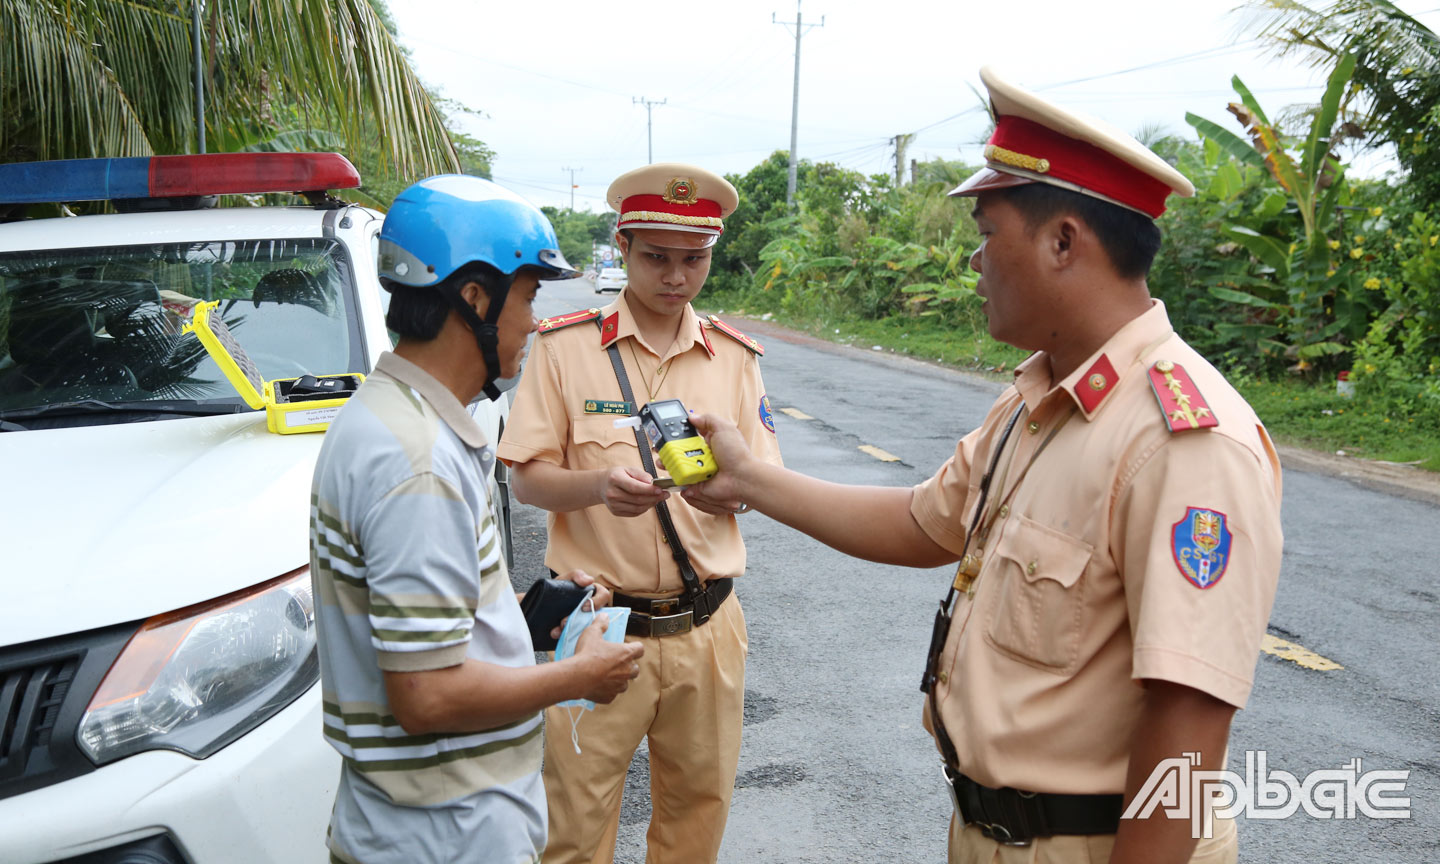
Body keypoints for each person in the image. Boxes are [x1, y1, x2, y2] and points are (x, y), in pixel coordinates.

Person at [683, 67, 1284, 864]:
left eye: (987, 232)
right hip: (990, 835)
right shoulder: (1040, 397)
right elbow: (924, 521)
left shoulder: (1183, 441)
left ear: (1062, 241)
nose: (973, 261)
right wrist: (748, 478)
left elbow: (1188, 728)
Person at [309, 175, 644, 864]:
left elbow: (417, 629)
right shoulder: (418, 461)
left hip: (418, 819)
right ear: (475, 298)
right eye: (527, 297)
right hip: (447, 831)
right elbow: (428, 697)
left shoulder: (396, 420)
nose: (532, 321)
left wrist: (524, 615)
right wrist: (580, 676)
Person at [496, 162, 783, 864]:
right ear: (622, 248)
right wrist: (599, 488)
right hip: (596, 625)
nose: (677, 276)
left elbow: (764, 481)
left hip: (709, 627)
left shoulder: (735, 358)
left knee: (696, 821)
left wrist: (732, 489)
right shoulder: (565, 349)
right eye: (656, 257)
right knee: (574, 825)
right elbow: (528, 479)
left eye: (695, 259)